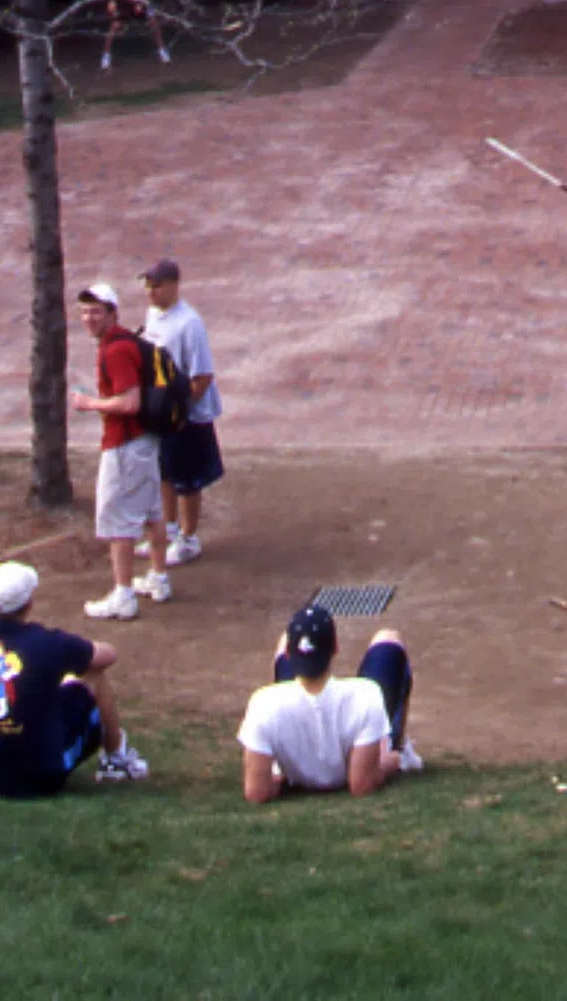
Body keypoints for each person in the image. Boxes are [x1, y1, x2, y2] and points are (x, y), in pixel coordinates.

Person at [0, 561, 146, 795]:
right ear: (28, 605)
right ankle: (116, 761)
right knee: (93, 677)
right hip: (36, 779)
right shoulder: (47, 643)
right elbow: (107, 656)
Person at [237, 603, 418, 801]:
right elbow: (361, 784)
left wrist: (274, 777)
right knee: (388, 637)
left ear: (290, 654)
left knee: (283, 640)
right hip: (357, 753)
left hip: (287, 743)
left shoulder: (262, 703)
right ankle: (402, 749)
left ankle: (279, 761)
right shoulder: (366, 694)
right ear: (335, 647)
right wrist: (393, 760)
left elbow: (256, 792)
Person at [68, 284, 169, 619]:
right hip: (145, 442)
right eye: (84, 311)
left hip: (125, 445)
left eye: (96, 311)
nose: (88, 318)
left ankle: (123, 595)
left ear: (113, 313)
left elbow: (129, 402)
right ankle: (159, 577)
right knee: (153, 511)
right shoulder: (127, 341)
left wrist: (88, 403)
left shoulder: (115, 350)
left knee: (118, 521)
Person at [136, 259, 221, 572]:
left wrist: (182, 411)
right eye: (147, 285)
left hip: (188, 415)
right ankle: (168, 529)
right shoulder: (152, 316)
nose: (150, 292)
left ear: (174, 285)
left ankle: (188, 538)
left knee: (188, 479)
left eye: (156, 285)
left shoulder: (190, 323)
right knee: (164, 474)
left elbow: (202, 376)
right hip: (162, 410)